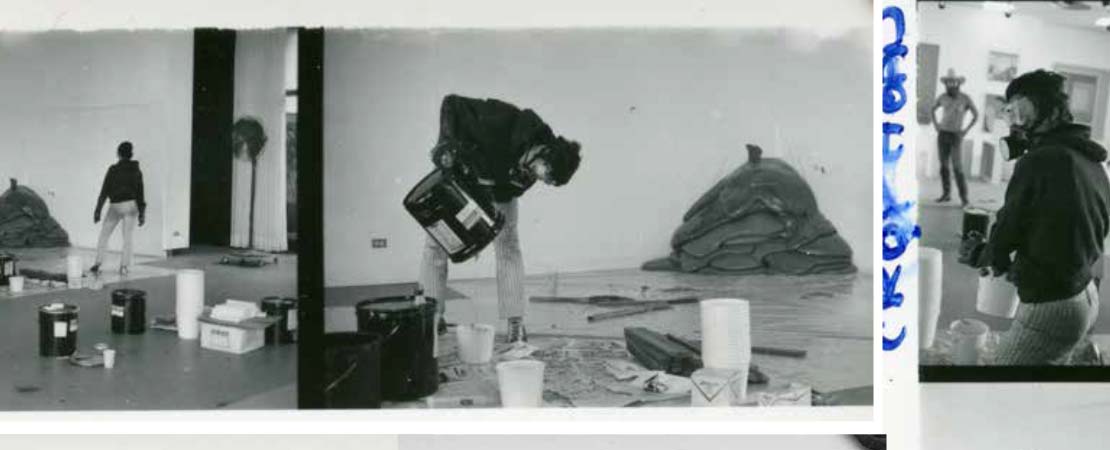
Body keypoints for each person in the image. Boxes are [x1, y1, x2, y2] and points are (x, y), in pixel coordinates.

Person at [959, 69, 1109, 365]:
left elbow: (1006, 234)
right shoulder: (1091, 159)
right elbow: (1078, 227)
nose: (1015, 124)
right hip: (1086, 294)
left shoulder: (1039, 160)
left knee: (1001, 385)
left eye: (1019, 112)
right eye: (1009, 113)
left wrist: (980, 254)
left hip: (1052, 307)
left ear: (1046, 112)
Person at [419, 94, 582, 343]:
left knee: (509, 246)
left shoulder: (536, 164)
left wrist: (484, 226)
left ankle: (515, 321)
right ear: (543, 152)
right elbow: (451, 103)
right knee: (437, 242)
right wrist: (448, 144)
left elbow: (513, 189)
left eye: (545, 180)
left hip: (495, 189)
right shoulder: (500, 119)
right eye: (543, 173)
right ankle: (431, 316)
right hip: (461, 179)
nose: (538, 178)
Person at [91, 141, 146, 276]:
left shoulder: (113, 169)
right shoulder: (136, 170)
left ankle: (98, 263)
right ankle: (124, 267)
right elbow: (140, 193)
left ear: (118, 154)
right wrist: (142, 213)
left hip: (115, 206)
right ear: (131, 154)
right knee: (127, 237)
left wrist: (98, 210)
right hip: (130, 206)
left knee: (104, 234)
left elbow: (104, 191)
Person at [931, 68, 979, 207]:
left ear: (958, 83)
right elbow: (932, 110)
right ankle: (946, 194)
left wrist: (965, 131)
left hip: (956, 136)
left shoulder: (965, 98)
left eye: (953, 82)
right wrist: (936, 125)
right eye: (948, 83)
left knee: (958, 168)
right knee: (944, 166)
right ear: (946, 84)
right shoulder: (942, 97)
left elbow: (976, 115)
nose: (951, 85)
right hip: (943, 134)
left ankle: (964, 199)